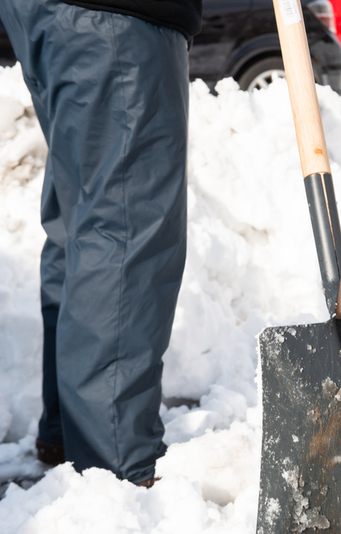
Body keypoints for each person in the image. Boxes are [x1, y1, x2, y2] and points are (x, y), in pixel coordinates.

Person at [0, 0, 202, 487]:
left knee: (86, 219)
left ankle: (69, 433)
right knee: (126, 225)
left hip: (50, 13)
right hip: (117, 17)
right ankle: (114, 470)